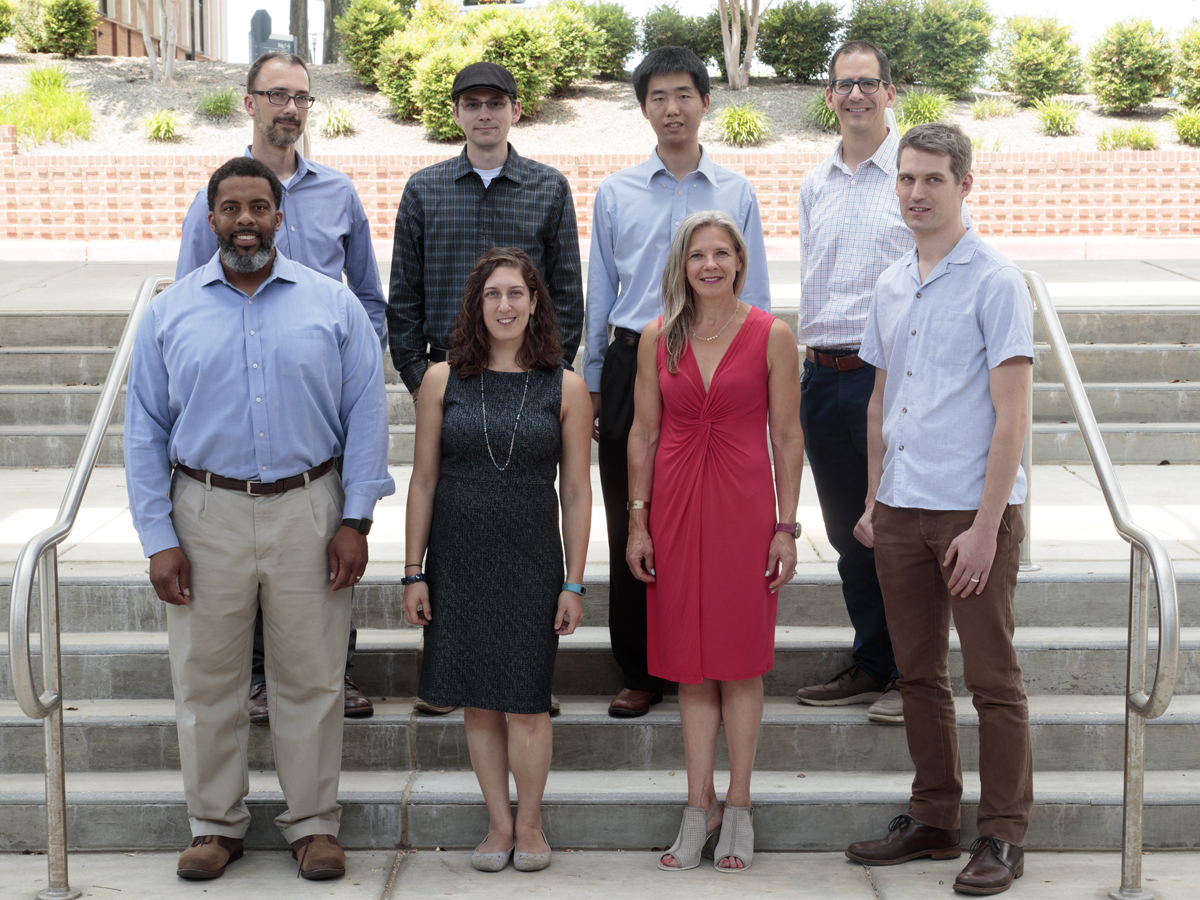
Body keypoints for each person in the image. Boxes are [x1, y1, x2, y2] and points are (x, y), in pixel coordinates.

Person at [125, 157, 394, 881]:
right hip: (204, 510)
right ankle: (215, 825)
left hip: (310, 508)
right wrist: (159, 537)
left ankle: (313, 825)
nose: (245, 220)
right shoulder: (169, 312)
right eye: (231, 208)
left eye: (259, 207)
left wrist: (356, 520)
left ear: (282, 217)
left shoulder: (332, 307)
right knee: (207, 679)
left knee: (311, 677)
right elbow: (144, 429)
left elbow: (367, 415)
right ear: (210, 220)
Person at [844, 123, 1033, 897]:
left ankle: (1003, 833)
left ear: (964, 185)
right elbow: (882, 399)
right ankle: (933, 818)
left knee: (994, 679)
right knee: (918, 674)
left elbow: (1012, 416)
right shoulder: (892, 282)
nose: (917, 193)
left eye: (933, 180)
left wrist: (987, 527)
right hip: (898, 511)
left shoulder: (996, 280)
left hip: (969, 514)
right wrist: (871, 496)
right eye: (906, 179)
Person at [175, 50, 386, 723]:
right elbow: (184, 309)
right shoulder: (212, 201)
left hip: (315, 404)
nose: (289, 108)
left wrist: (350, 369)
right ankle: (259, 679)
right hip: (239, 411)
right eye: (275, 95)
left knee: (321, 545)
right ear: (250, 103)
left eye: (300, 97)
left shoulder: (339, 194)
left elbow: (371, 299)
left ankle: (336, 670)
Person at [586, 46, 771, 719]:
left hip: (716, 357)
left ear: (705, 103)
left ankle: (716, 651)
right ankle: (639, 668)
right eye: (658, 97)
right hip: (639, 351)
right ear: (644, 109)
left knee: (713, 524)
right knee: (631, 516)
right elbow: (600, 292)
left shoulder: (736, 192)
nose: (672, 108)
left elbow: (760, 294)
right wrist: (593, 378)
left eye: (683, 95)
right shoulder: (616, 192)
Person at [793, 40, 968, 725]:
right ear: (830, 96)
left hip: (895, 377)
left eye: (869, 83)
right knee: (849, 532)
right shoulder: (815, 183)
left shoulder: (915, 175)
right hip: (823, 372)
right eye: (844, 84)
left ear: (890, 93)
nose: (857, 94)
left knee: (901, 530)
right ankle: (872, 659)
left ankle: (911, 674)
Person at [402, 247, 592, 872]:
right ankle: (497, 824)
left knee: (527, 701)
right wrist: (414, 570)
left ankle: (532, 825)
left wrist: (574, 581)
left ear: (535, 302)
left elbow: (577, 491)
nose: (505, 305)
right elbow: (423, 482)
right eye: (493, 295)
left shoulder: (564, 385)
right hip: (457, 557)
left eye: (516, 293)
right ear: (476, 305)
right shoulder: (440, 379)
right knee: (479, 701)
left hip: (533, 559)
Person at [627, 211, 803, 872]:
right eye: (697, 254)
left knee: (738, 658)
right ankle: (697, 805)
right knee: (688, 661)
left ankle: (740, 804)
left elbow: (788, 436)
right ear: (683, 263)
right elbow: (641, 434)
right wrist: (638, 520)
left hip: (744, 508)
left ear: (739, 261)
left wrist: (786, 526)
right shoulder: (657, 338)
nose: (709, 265)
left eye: (721, 254)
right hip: (673, 507)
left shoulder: (772, 335)